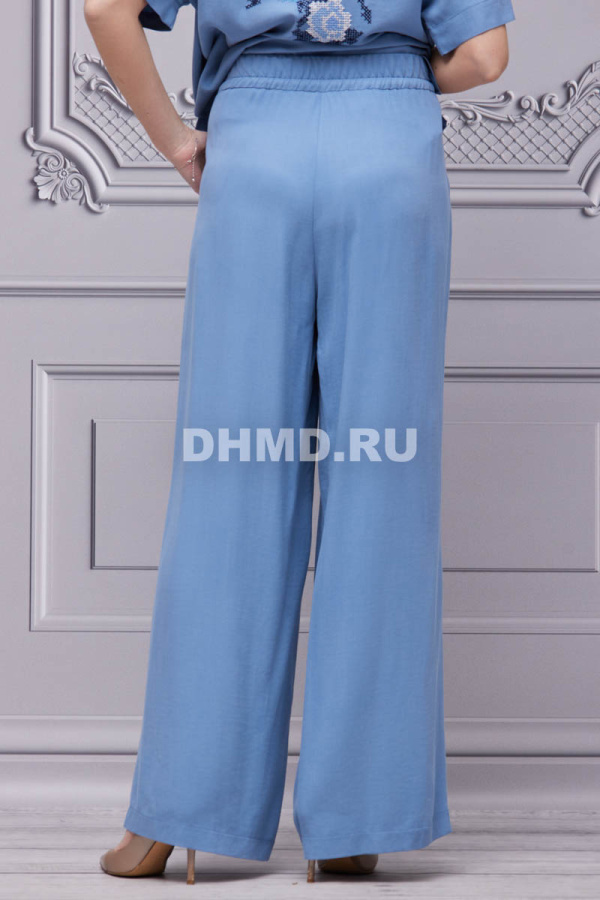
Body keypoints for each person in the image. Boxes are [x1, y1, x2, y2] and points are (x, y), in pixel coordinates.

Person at [85, 0, 514, 885]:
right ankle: (355, 822)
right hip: (389, 147)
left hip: (255, 151)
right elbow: (484, 57)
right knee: (383, 488)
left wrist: (178, 142)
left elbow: (104, 7)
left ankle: (178, 817)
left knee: (228, 487)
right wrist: (387, 73)